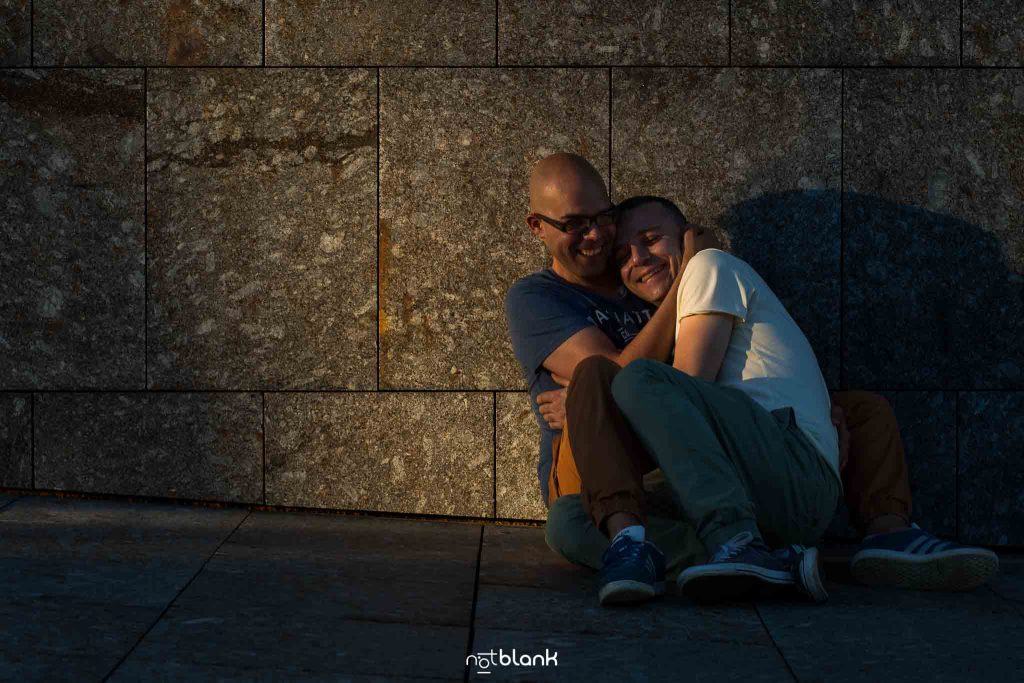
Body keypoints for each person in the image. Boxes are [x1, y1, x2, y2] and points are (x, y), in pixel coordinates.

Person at [505, 152, 999, 606]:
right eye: (575, 224)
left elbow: (691, 382)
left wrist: (810, 424)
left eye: (602, 219)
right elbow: (614, 372)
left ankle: (886, 534)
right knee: (572, 509)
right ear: (537, 227)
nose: (598, 237)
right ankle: (748, 551)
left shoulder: (645, 284)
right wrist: (684, 280)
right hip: (596, 463)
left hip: (683, 453)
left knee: (859, 408)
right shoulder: (538, 297)